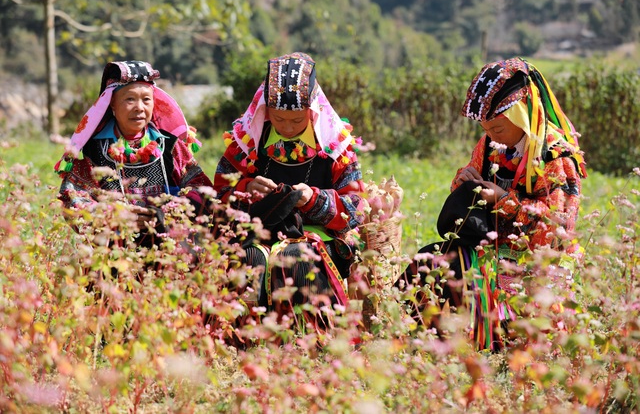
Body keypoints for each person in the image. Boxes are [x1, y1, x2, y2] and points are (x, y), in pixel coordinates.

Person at [399, 57, 587, 351]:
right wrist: (464, 181)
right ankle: (422, 342)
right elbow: (469, 181)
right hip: (490, 245)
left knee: (459, 265)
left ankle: (488, 344)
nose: (490, 136)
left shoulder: (555, 157)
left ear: (522, 114)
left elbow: (555, 231)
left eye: (497, 129)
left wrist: (503, 199)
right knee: (431, 260)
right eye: (486, 129)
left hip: (535, 262)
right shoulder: (490, 145)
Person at [213, 52, 366, 333]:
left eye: (297, 121)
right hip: (256, 233)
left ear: (313, 110)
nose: (287, 128)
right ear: (265, 110)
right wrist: (246, 188)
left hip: (317, 237)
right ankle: (244, 341)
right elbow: (220, 190)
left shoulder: (336, 146)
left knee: (296, 256)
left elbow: (355, 208)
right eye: (279, 119)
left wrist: (314, 199)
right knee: (250, 258)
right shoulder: (247, 141)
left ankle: (311, 341)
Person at [55, 60, 214, 249]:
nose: (139, 107)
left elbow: (202, 191)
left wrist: (164, 213)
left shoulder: (170, 146)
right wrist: (116, 216)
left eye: (146, 99)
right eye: (130, 99)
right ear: (112, 104)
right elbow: (73, 198)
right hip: (114, 252)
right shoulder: (94, 151)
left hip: (168, 246)